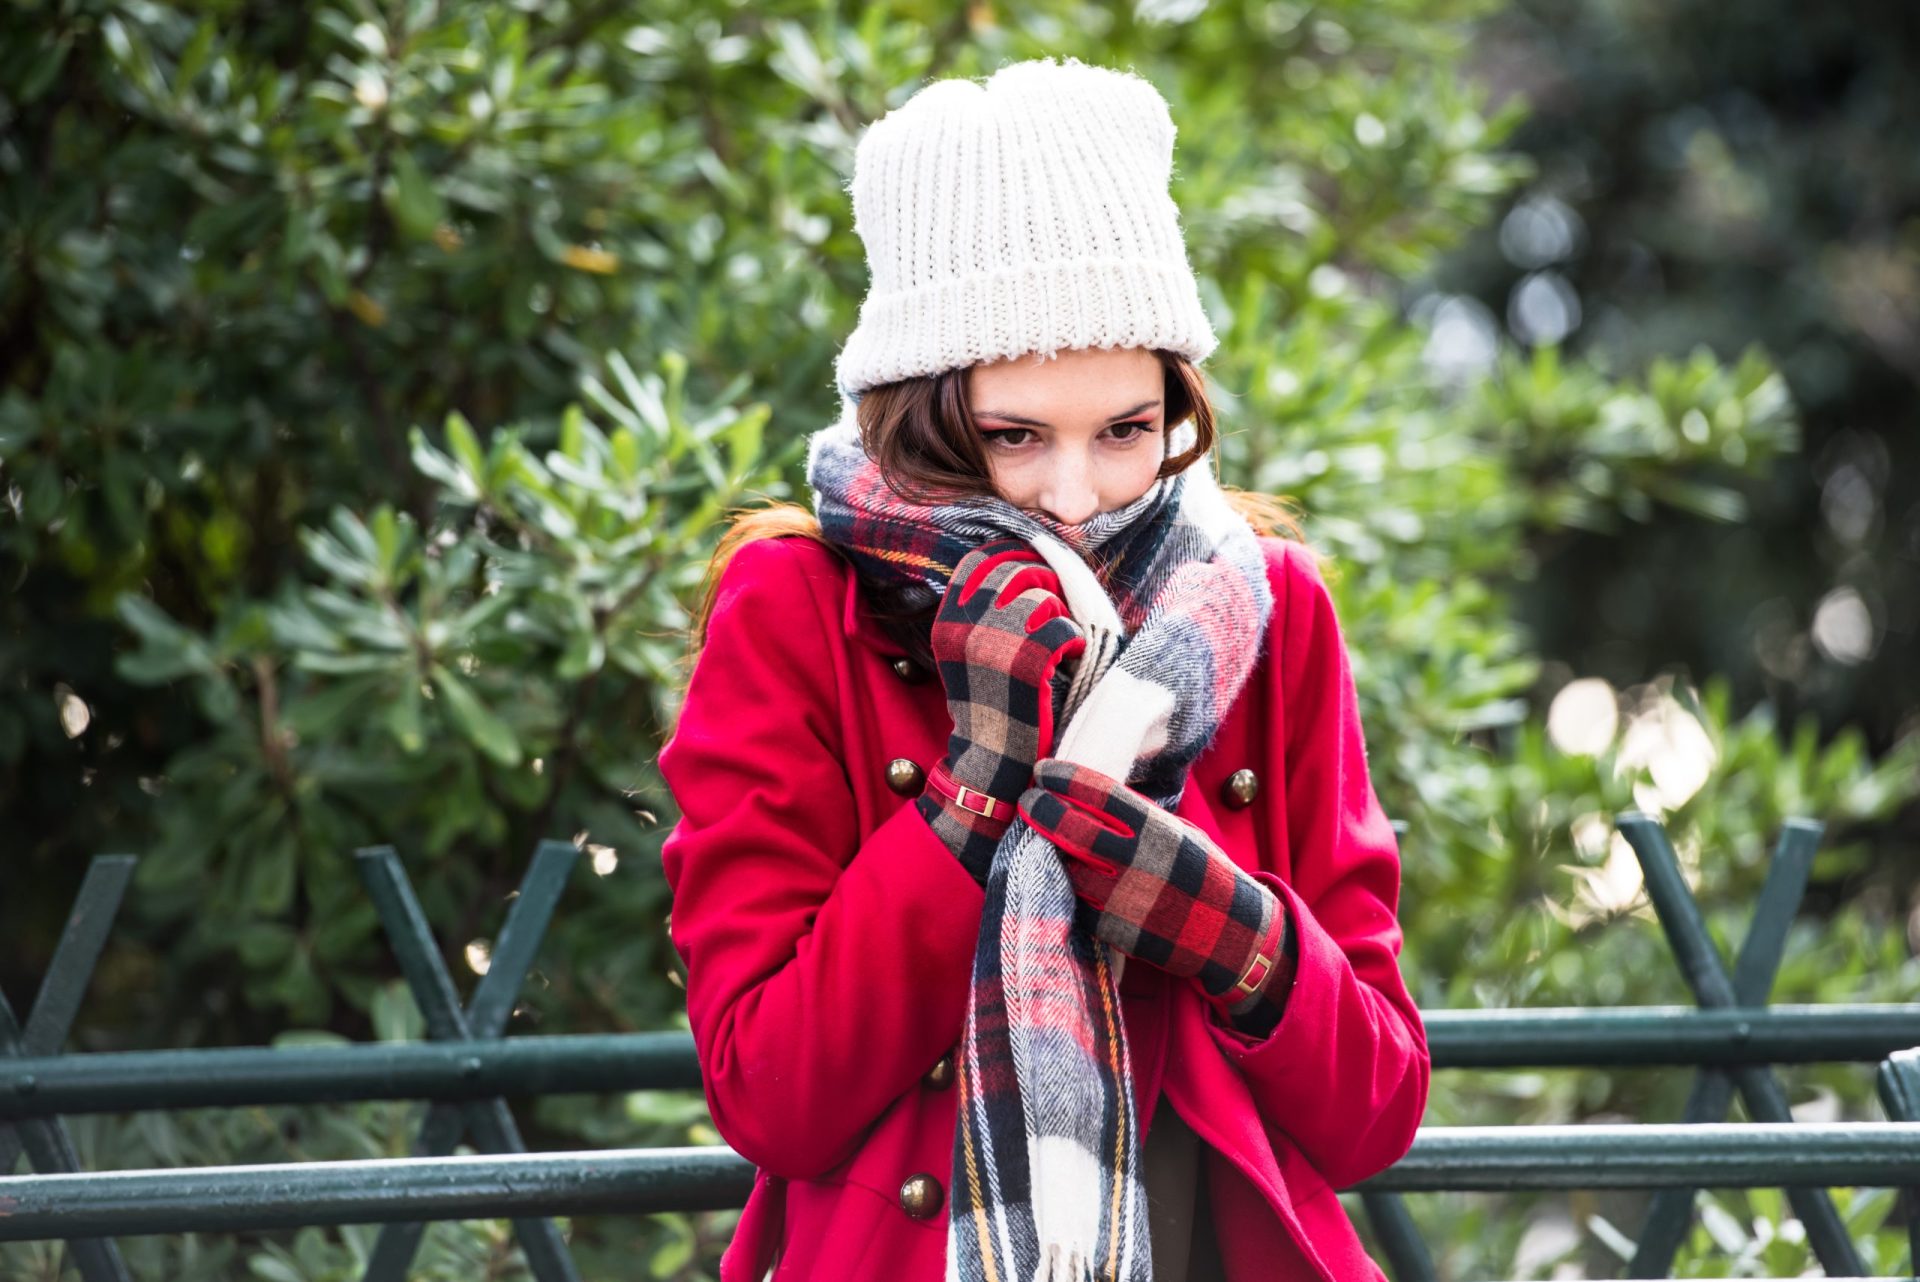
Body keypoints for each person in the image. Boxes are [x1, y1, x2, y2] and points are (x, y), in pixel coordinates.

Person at [658, 56, 1428, 1282]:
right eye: (1015, 437)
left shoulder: (1264, 609)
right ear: (921, 412)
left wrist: (1233, 936)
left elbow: (1375, 1110)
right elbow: (769, 1094)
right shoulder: (797, 603)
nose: (1075, 500)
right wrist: (978, 787)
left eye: (1127, 430)